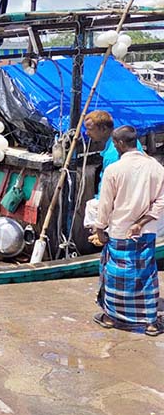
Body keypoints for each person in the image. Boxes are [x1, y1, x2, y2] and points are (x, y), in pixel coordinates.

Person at [92, 126, 164, 336]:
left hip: (119, 230)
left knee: (115, 274)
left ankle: (111, 317)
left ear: (120, 144)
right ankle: (150, 322)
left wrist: (99, 229)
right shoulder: (156, 167)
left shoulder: (114, 170)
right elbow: (161, 201)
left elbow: (105, 204)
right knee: (146, 274)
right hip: (146, 231)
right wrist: (142, 222)